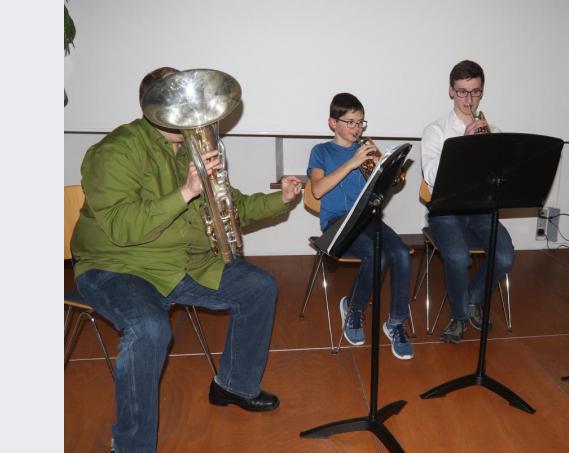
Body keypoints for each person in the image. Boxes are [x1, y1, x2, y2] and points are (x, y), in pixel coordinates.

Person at [71, 67, 303, 453]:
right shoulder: (115, 151)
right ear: (155, 108)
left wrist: (280, 199)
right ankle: (132, 446)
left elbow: (233, 205)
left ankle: (233, 385)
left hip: (182, 263)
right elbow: (121, 227)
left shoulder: (192, 147)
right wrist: (185, 192)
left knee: (258, 287)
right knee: (149, 329)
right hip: (117, 265)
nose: (198, 117)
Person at [307, 92, 414, 360]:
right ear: (333, 123)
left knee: (400, 252)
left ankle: (396, 322)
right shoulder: (320, 152)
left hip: (368, 217)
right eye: (351, 122)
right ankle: (354, 309)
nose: (357, 129)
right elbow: (318, 190)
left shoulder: (366, 149)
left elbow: (385, 185)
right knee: (376, 255)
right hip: (337, 221)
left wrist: (384, 169)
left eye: (361, 123)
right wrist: (353, 162)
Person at [420, 60, 515, 344]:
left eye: (475, 92)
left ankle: (473, 299)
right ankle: (460, 315)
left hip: (481, 211)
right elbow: (431, 177)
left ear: (482, 93)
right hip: (445, 211)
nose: (468, 99)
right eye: (462, 92)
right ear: (451, 92)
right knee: (459, 257)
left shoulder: (493, 132)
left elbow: (499, 179)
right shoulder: (435, 131)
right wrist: (462, 145)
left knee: (505, 256)